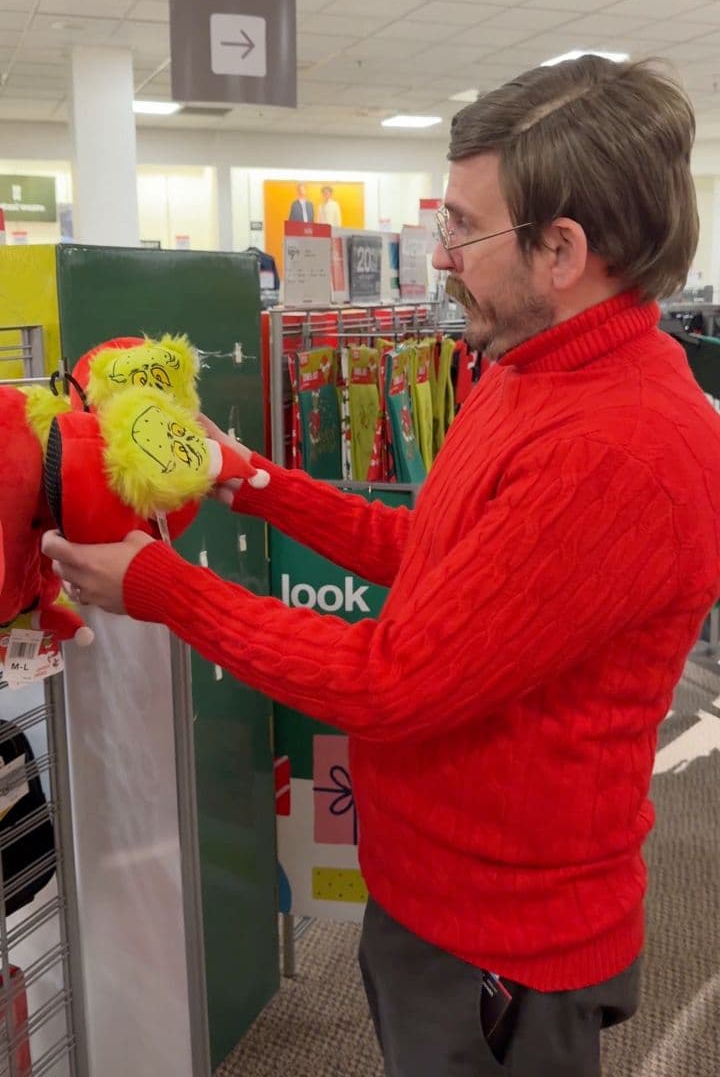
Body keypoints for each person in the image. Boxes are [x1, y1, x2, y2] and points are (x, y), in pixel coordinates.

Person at [43, 57, 720, 1077]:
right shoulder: (531, 368)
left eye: (459, 225)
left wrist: (160, 586)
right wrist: (249, 477)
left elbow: (392, 679)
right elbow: (435, 559)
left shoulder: (616, 446)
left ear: (562, 251)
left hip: (504, 943)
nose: (440, 253)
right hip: (438, 894)